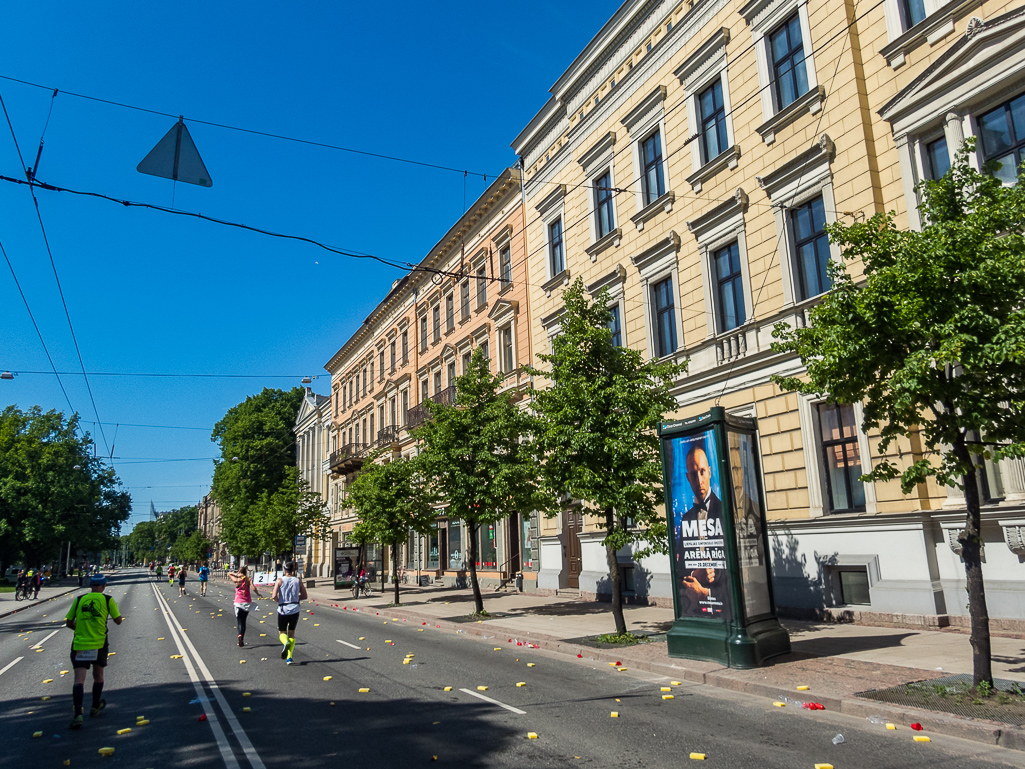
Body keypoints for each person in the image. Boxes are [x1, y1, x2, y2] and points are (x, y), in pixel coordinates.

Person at [677, 444, 731, 619]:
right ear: (688, 478)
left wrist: (711, 580)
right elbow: (680, 567)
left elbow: (735, 563)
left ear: (709, 472)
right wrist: (695, 573)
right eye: (693, 474)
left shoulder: (725, 512)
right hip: (695, 609)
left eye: (702, 472)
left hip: (724, 605)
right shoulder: (686, 519)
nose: (699, 480)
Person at [65, 574, 123, 729]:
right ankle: (95, 705)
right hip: (98, 644)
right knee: (98, 676)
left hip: (80, 644)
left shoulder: (79, 600)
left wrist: (80, 629)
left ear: (91, 586)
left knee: (79, 679)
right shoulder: (107, 600)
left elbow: (68, 622)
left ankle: (78, 713)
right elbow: (118, 620)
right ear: (103, 586)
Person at [271, 561, 307, 665]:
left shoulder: (280, 580)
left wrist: (280, 601)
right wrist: (295, 598)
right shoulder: (298, 580)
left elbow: (274, 596)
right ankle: (289, 657)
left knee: (282, 632)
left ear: (284, 570)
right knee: (292, 632)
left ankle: (285, 642)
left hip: (283, 609)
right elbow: (304, 596)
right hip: (295, 608)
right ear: (293, 570)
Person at [228, 564, 262, 647]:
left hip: (238, 602)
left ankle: (239, 635)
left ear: (239, 571)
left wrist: (236, 574)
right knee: (244, 621)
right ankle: (242, 638)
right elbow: (253, 588)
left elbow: (228, 573)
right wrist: (258, 594)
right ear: (246, 571)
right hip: (247, 603)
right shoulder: (248, 579)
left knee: (239, 621)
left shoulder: (236, 580)